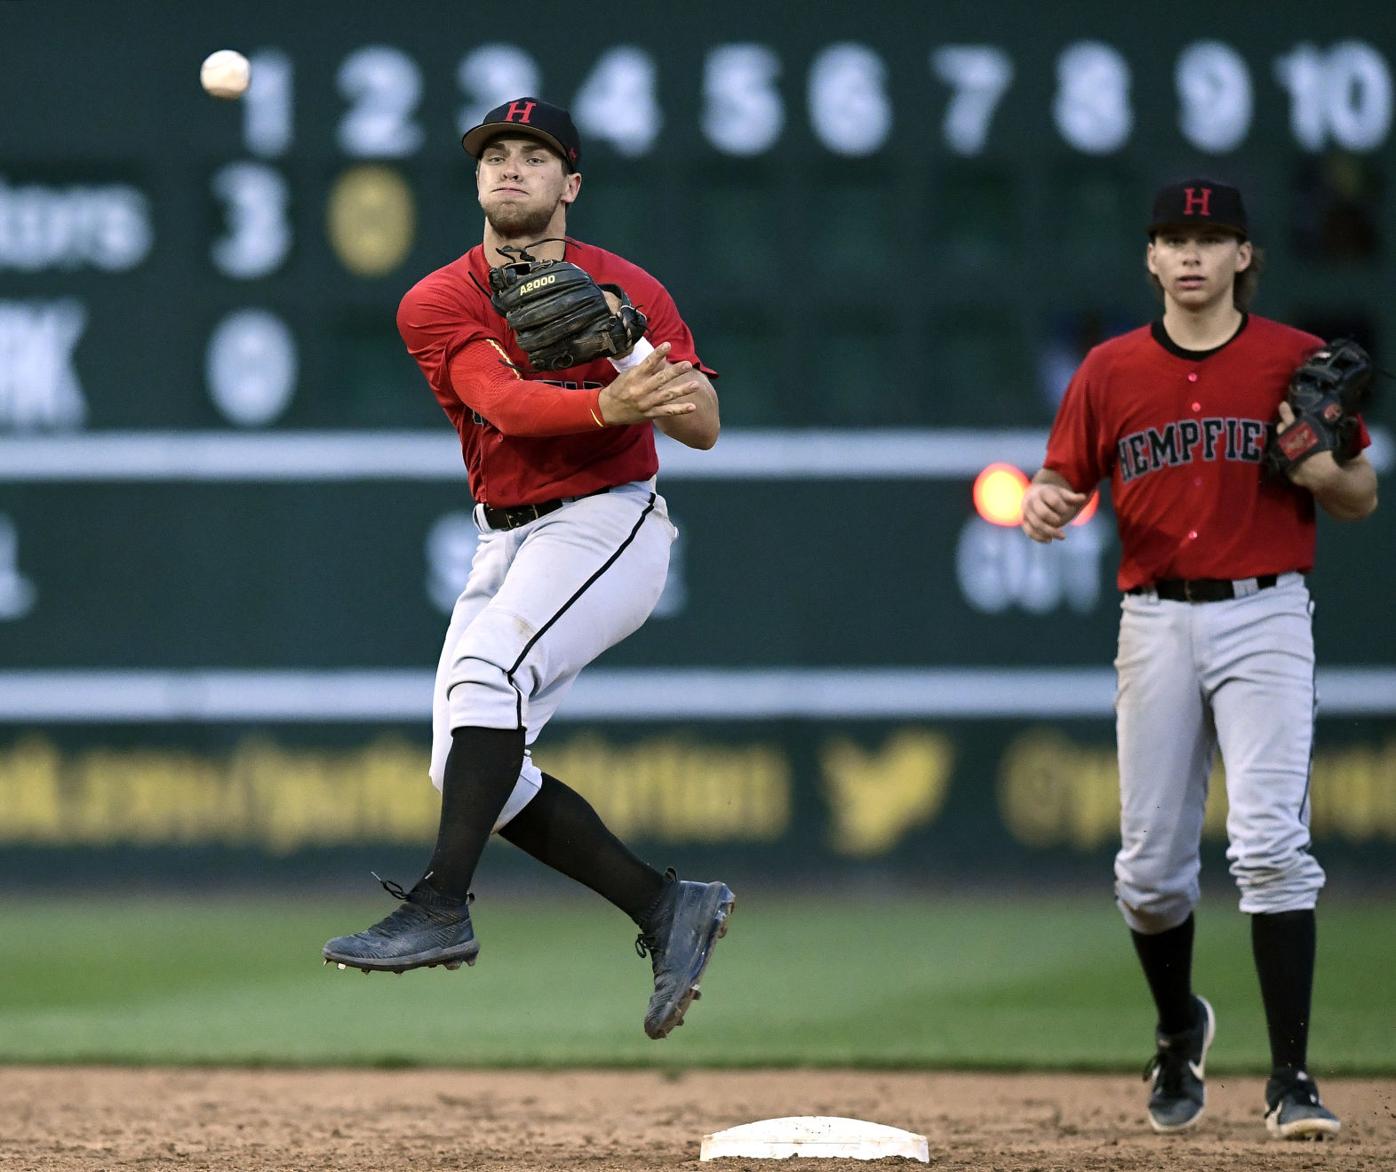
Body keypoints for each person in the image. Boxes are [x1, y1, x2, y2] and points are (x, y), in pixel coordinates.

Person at [322, 97, 735, 1041]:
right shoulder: (438, 299)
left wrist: (629, 350)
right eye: (496, 155)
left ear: (570, 184)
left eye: (535, 156)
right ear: (477, 179)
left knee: (485, 677)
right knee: (466, 757)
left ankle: (439, 905)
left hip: (608, 522)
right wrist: (609, 403)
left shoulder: (629, 289)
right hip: (503, 534)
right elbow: (500, 403)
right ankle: (666, 906)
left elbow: (704, 425)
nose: (512, 168)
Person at [1022, 178, 1378, 1139]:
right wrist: (1047, 500)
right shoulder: (1109, 370)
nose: (1191, 255)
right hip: (1155, 619)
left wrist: (1324, 468)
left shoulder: (1293, 360)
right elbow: (1063, 478)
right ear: (1150, 257)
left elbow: (1361, 494)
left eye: (1210, 238)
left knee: (1270, 848)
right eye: (1174, 238)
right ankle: (1180, 1030)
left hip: (1266, 612)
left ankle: (1292, 1078)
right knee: (1149, 874)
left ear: (1244, 256)